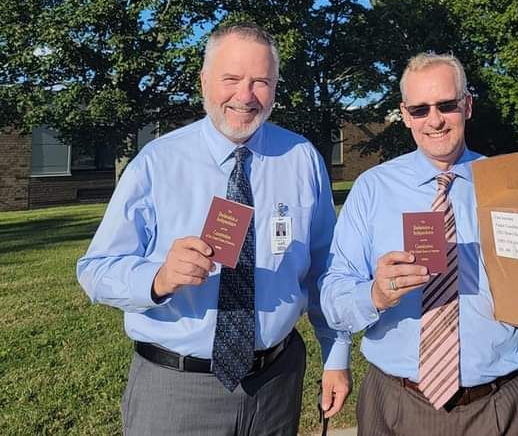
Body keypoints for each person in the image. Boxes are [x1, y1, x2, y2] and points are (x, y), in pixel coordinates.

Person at [320, 52, 518, 435]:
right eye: (419, 109)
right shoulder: (371, 189)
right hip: (396, 404)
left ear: (467, 105)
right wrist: (376, 295)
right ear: (404, 113)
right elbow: (333, 297)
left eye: (446, 105)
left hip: (500, 405)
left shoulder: (512, 185)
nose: (434, 120)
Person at [77, 23, 350, 436]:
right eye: (232, 79)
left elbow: (325, 267)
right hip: (177, 390)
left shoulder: (301, 158)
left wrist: (336, 355)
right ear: (204, 81)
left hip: (276, 384)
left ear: (276, 87)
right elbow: (95, 270)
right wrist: (158, 278)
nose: (245, 96)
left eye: (261, 81)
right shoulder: (157, 163)